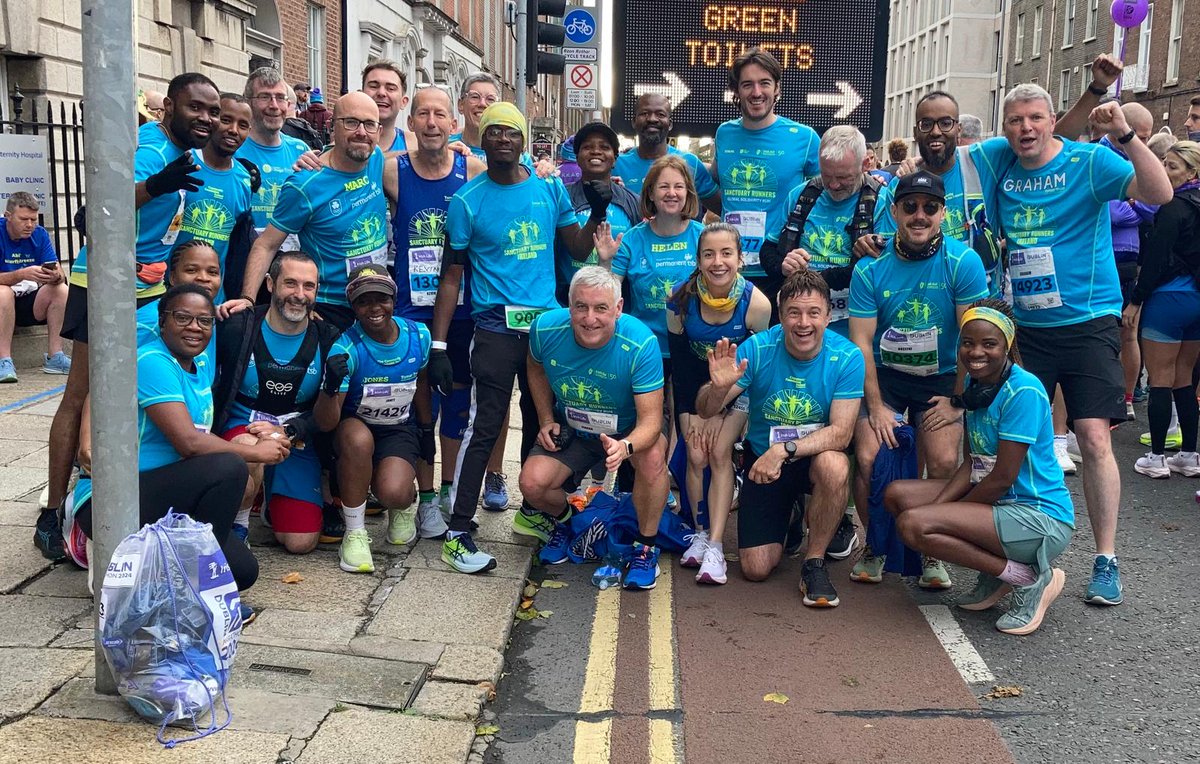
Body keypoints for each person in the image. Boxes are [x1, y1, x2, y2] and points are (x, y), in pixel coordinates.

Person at [968, 85, 1173, 606]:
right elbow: (954, 161)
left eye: (1036, 118)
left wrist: (1125, 135)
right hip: (1025, 328)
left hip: (1086, 321)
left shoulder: (1090, 162)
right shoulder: (999, 160)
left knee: (1094, 436)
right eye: (1015, 120)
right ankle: (1013, 557)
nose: (1026, 129)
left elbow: (1159, 194)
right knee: (1013, 441)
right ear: (1004, 126)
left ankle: (1106, 559)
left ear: (1052, 118)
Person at [40, 72, 220, 561]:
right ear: (169, 109)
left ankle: (122, 491)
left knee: (134, 389)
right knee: (83, 394)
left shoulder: (184, 152)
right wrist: (154, 185)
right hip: (104, 283)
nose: (205, 118)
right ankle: (52, 513)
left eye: (212, 111)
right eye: (195, 108)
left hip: (151, 285)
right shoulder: (151, 150)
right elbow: (99, 211)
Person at [430, 101, 609, 573]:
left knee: (543, 422)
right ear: (482, 139)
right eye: (494, 132)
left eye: (511, 132)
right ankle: (458, 532)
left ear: (523, 140)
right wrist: (439, 345)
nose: (503, 139)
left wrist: (597, 211)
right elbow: (451, 277)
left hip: (546, 330)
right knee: (485, 426)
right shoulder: (467, 201)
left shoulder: (549, 189)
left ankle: (531, 512)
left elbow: (577, 247)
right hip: (494, 329)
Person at [74, 285, 290, 599]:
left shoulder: (197, 366)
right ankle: (193, 589)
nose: (194, 327)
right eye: (183, 317)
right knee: (230, 468)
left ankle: (164, 569)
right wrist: (256, 452)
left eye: (204, 321)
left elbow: (198, 433)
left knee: (243, 570)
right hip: (112, 499)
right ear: (162, 322)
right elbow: (188, 443)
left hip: (162, 490)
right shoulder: (153, 361)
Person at [886, 300, 1073, 635]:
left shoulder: (1023, 390)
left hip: (1038, 515)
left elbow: (1002, 477)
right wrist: (940, 509)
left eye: (989, 344)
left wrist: (942, 516)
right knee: (898, 495)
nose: (976, 352)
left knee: (915, 525)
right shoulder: (977, 386)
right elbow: (972, 463)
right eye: (968, 342)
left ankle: (1028, 578)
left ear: (1007, 346)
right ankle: (999, 571)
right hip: (1000, 504)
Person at [848, 170, 989, 588]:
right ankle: (875, 544)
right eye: (910, 206)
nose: (919, 215)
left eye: (930, 207)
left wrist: (957, 401)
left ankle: (930, 548)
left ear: (943, 213)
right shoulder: (870, 268)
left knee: (943, 460)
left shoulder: (963, 262)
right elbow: (861, 343)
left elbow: (972, 340)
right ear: (894, 212)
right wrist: (876, 407)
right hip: (887, 377)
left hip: (940, 378)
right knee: (870, 457)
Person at [696, 270, 865, 607]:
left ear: (828, 316)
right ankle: (792, 516)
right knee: (755, 568)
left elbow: (842, 433)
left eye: (813, 313)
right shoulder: (757, 349)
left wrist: (784, 450)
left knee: (835, 466)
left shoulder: (848, 357)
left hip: (810, 457)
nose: (804, 323)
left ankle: (814, 563)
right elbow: (704, 409)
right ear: (781, 314)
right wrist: (716, 389)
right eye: (794, 313)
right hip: (763, 462)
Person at [518, 266, 670, 589]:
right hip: (576, 429)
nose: (590, 319)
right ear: (569, 305)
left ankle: (645, 547)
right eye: (581, 307)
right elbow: (535, 366)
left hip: (628, 431)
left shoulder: (641, 343)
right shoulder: (544, 328)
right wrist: (545, 419)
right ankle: (569, 524)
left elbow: (652, 423)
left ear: (618, 308)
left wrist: (625, 447)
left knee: (654, 457)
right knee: (532, 483)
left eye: (601, 308)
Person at [388, 85, 487, 536]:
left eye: (439, 115)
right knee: (419, 404)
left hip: (462, 309)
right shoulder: (392, 170)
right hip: (411, 310)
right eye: (422, 114)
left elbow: (515, 182)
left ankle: (449, 489)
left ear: (454, 123)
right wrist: (310, 158)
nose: (431, 122)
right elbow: (345, 162)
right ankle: (425, 499)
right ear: (410, 123)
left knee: (458, 403)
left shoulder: (473, 169)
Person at [211, 251, 340, 557]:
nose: (299, 294)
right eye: (290, 283)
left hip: (294, 437)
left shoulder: (328, 337)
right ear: (270, 284)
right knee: (249, 446)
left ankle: (268, 497)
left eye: (309, 286)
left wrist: (291, 430)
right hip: (243, 428)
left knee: (300, 542)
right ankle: (240, 526)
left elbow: (327, 415)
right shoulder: (238, 327)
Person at [226, 91, 388, 332]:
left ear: (379, 131)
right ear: (333, 127)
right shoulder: (304, 184)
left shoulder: (376, 158)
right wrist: (248, 299)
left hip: (375, 296)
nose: (361, 132)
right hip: (331, 308)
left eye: (369, 124)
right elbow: (266, 244)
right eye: (351, 122)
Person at [667, 223, 771, 584]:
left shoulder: (757, 305)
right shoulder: (679, 299)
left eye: (727, 253)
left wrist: (719, 409)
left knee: (718, 453)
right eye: (709, 254)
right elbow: (680, 365)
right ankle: (699, 533)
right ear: (698, 260)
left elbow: (757, 367)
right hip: (694, 390)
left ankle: (716, 547)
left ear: (740, 259)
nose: (718, 262)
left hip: (740, 390)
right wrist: (697, 412)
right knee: (695, 453)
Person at [314, 266, 432, 574]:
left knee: (393, 492)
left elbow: (420, 384)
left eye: (382, 299)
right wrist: (329, 387)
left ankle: (403, 503)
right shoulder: (345, 347)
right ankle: (354, 532)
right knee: (357, 438)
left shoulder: (419, 335)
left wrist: (427, 429)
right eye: (364, 301)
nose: (374, 308)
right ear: (353, 306)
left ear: (394, 300)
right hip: (355, 428)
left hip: (398, 429)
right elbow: (326, 423)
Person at [869, 91, 1004, 298]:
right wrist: (868, 244)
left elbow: (1039, 139)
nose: (935, 131)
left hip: (983, 305)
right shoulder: (900, 185)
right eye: (926, 124)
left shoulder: (983, 160)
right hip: (926, 303)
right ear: (916, 132)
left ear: (958, 129)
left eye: (945, 123)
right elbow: (887, 252)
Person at [714, 47, 820, 304]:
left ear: (777, 88)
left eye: (764, 83)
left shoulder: (805, 138)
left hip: (780, 268)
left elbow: (827, 196)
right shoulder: (723, 133)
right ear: (736, 90)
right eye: (747, 84)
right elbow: (716, 184)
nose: (756, 92)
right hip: (729, 269)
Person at [761, 125, 883, 339]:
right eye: (826, 175)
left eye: (844, 177)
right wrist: (783, 265)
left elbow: (882, 269)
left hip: (855, 326)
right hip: (802, 325)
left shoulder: (881, 201)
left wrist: (811, 280)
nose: (833, 185)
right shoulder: (801, 195)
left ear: (865, 164)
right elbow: (768, 250)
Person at [1125, 141, 1200, 479]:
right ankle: (1189, 455)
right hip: (1196, 300)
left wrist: (1136, 299)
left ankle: (1156, 457)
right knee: (1184, 378)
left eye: (1172, 166)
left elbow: (1155, 258)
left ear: (1192, 172)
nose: (1165, 172)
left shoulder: (1172, 207)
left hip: (1168, 299)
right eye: (1164, 164)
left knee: (1160, 379)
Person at [597, 156, 703, 366]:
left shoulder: (703, 237)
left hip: (693, 347)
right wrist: (605, 261)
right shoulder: (632, 239)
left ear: (688, 192)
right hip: (644, 348)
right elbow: (608, 294)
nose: (671, 193)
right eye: (664, 186)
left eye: (678, 186)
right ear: (651, 193)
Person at [1103, 104, 1159, 420]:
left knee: (1129, 332)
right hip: (1102, 259)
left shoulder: (1137, 159)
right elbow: (1111, 213)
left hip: (1128, 262)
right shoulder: (1100, 155)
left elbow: (1154, 207)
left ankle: (1126, 399)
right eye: (1142, 136)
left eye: (1148, 138)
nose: (1144, 143)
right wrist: (1134, 205)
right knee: (1101, 335)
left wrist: (1131, 205)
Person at [174, 93, 254, 303]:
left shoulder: (245, 179)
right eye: (226, 120)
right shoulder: (183, 161)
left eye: (243, 125)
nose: (233, 130)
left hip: (214, 302)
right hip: (167, 293)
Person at [556, 121, 641, 303]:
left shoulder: (634, 202)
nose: (596, 151)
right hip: (569, 302)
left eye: (604, 147)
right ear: (577, 157)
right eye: (587, 147)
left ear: (615, 158)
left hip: (617, 303)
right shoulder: (561, 196)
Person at [236, 68, 313, 245]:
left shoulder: (301, 150)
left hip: (291, 256)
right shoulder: (233, 149)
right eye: (264, 97)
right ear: (248, 103)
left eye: (280, 98)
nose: (274, 106)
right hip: (242, 253)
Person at [0, 193, 70, 381]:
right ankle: (3, 360)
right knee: (3, 292)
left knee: (61, 289)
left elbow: (59, 271)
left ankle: (55, 356)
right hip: (3, 301)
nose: (29, 225)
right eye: (24, 219)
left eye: (33, 219)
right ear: (8, 216)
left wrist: (55, 276)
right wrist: (20, 274)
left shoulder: (39, 234)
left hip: (27, 302)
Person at [613, 93, 721, 209]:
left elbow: (723, 207)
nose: (652, 119)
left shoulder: (690, 163)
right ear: (634, 121)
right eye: (644, 113)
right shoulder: (615, 165)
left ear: (670, 124)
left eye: (660, 114)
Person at [362, 60, 412, 153]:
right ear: (361, 95)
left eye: (391, 88)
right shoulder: (342, 145)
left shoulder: (415, 146)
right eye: (373, 86)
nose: (381, 93)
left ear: (403, 102)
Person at [452, 73, 502, 161]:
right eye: (475, 97)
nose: (482, 104)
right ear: (461, 105)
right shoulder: (446, 147)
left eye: (490, 99)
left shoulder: (510, 151)